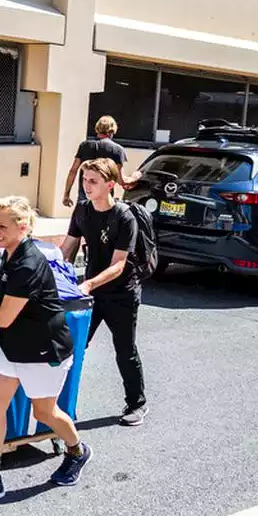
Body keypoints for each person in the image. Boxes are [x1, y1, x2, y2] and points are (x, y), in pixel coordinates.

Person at [0, 196, 91, 506]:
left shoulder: (28, 264)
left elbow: (3, 317)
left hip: (43, 350)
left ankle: (77, 450)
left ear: (23, 227)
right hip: (13, 346)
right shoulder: (8, 254)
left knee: (45, 412)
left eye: (3, 226)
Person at [61, 158, 146, 426]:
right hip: (91, 293)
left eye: (93, 181)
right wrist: (53, 273)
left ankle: (137, 404)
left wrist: (87, 284)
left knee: (124, 349)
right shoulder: (83, 210)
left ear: (110, 185)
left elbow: (119, 265)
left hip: (121, 292)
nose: (86, 186)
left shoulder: (124, 217)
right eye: (84, 180)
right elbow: (68, 248)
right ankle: (64, 406)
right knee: (74, 346)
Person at [62, 115, 137, 208]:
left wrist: (66, 194)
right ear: (112, 131)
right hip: (104, 200)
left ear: (97, 129)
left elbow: (73, 171)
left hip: (85, 197)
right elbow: (121, 180)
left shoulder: (85, 145)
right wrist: (136, 177)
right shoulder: (117, 150)